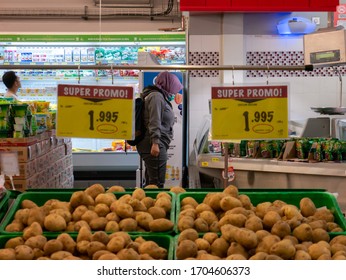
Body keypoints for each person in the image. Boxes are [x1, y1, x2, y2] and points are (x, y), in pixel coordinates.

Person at [136, 71, 183, 188]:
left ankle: (148, 203)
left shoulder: (158, 96)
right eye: (173, 88)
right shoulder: (156, 96)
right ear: (168, 85)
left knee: (152, 182)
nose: (174, 92)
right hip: (153, 143)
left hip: (156, 143)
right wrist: (156, 142)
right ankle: (155, 205)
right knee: (157, 183)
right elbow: (154, 120)